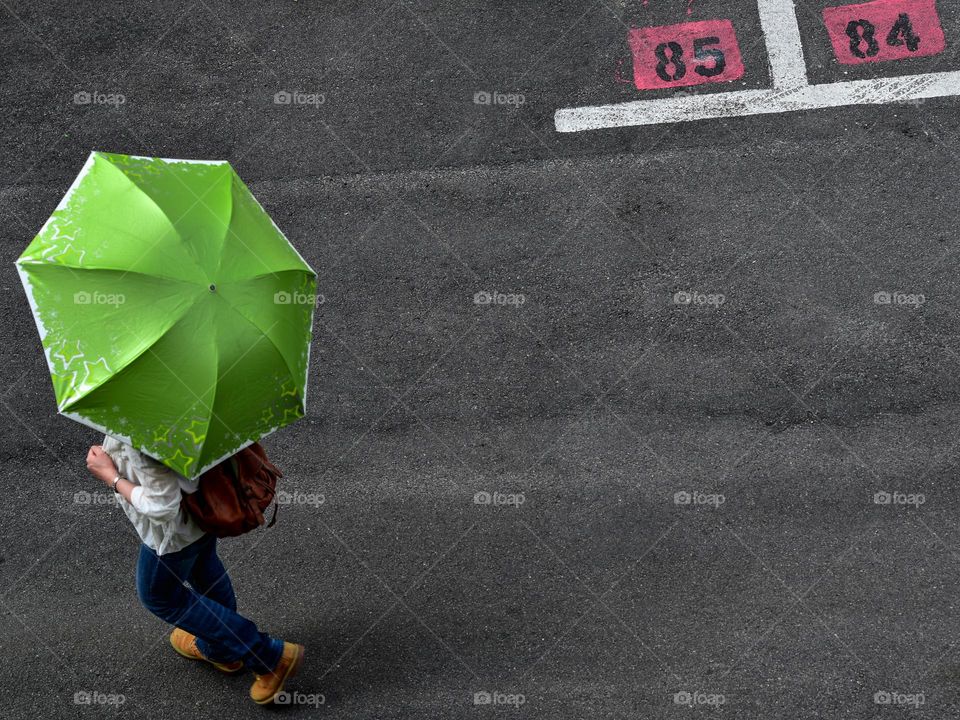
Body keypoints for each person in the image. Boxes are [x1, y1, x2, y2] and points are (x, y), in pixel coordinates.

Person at [85, 436, 304, 705]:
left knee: (159, 597)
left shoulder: (142, 435)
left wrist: (111, 476)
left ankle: (268, 656)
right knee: (204, 569)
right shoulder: (191, 410)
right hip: (204, 511)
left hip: (171, 536)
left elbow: (161, 506)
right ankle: (223, 652)